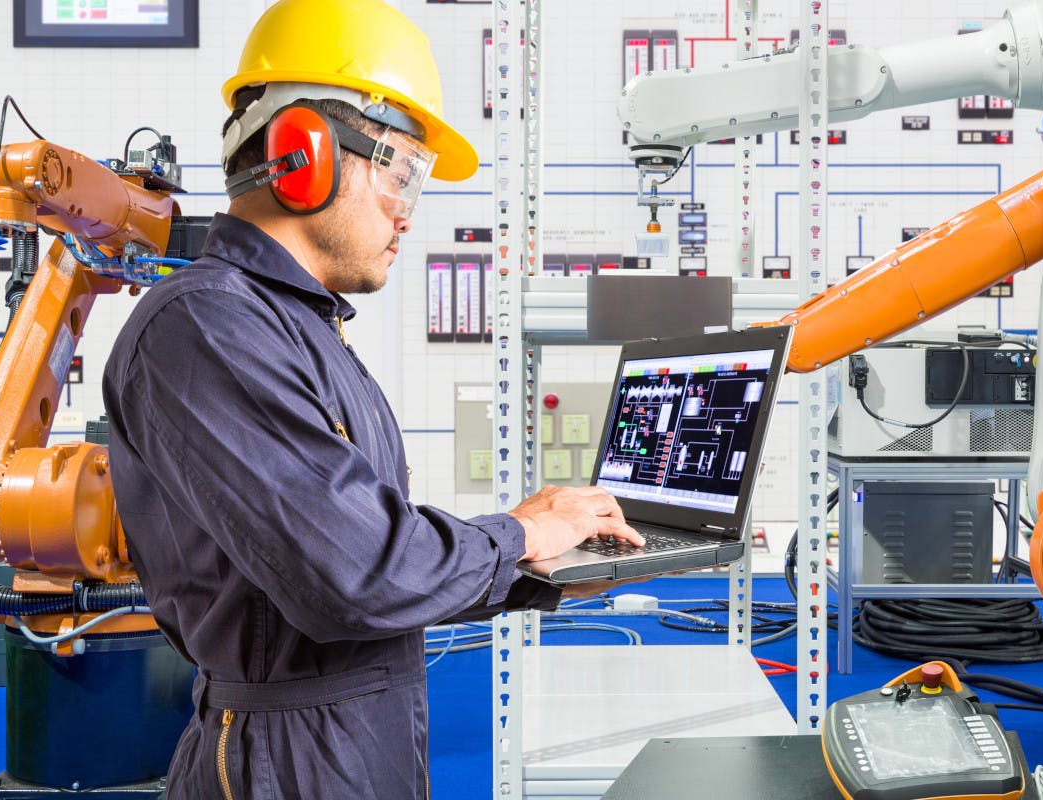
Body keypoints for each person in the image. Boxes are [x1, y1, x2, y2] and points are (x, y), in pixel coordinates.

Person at [101, 1, 643, 797]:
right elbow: (354, 575)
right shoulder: (207, 327)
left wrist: (538, 567)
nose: (406, 210)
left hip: (348, 738)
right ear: (302, 153)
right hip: (285, 764)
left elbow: (362, 549)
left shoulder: (295, 327)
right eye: (401, 172)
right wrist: (519, 533)